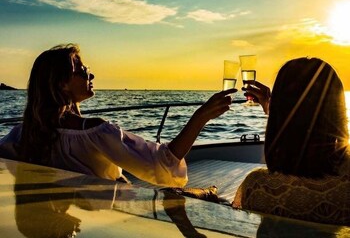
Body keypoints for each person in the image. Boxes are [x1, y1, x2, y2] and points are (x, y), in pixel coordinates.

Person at [0, 43, 236, 188]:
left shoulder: (21, 135)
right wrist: (200, 117)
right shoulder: (96, 133)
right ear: (62, 83)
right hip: (103, 218)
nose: (90, 76)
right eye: (82, 71)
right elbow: (162, 165)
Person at [233, 57, 350, 225]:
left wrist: (275, 112)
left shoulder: (259, 187)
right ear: (338, 112)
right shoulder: (344, 186)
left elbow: (296, 129)